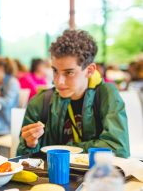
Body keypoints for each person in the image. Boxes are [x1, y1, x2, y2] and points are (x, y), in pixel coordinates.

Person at [17, 29, 130, 158]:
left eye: (69, 72)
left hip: (96, 176)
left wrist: (64, 150)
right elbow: (21, 159)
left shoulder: (106, 94)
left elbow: (118, 149)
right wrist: (29, 144)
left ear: (90, 70)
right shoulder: (40, 102)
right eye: (55, 71)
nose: (58, 81)